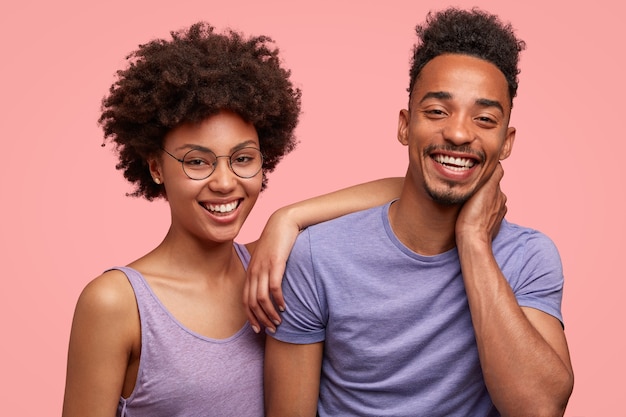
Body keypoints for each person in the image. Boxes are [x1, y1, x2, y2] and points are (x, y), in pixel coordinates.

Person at [61, 22, 403, 417]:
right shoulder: (116, 303)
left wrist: (287, 218)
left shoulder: (271, 267)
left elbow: (404, 192)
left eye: (243, 159)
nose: (225, 183)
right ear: (156, 167)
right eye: (197, 162)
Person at [262, 8, 574, 417]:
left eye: (484, 119)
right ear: (405, 126)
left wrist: (474, 243)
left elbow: (539, 408)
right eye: (437, 112)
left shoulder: (529, 257)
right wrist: (289, 215)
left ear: (507, 141)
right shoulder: (318, 256)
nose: (459, 133)